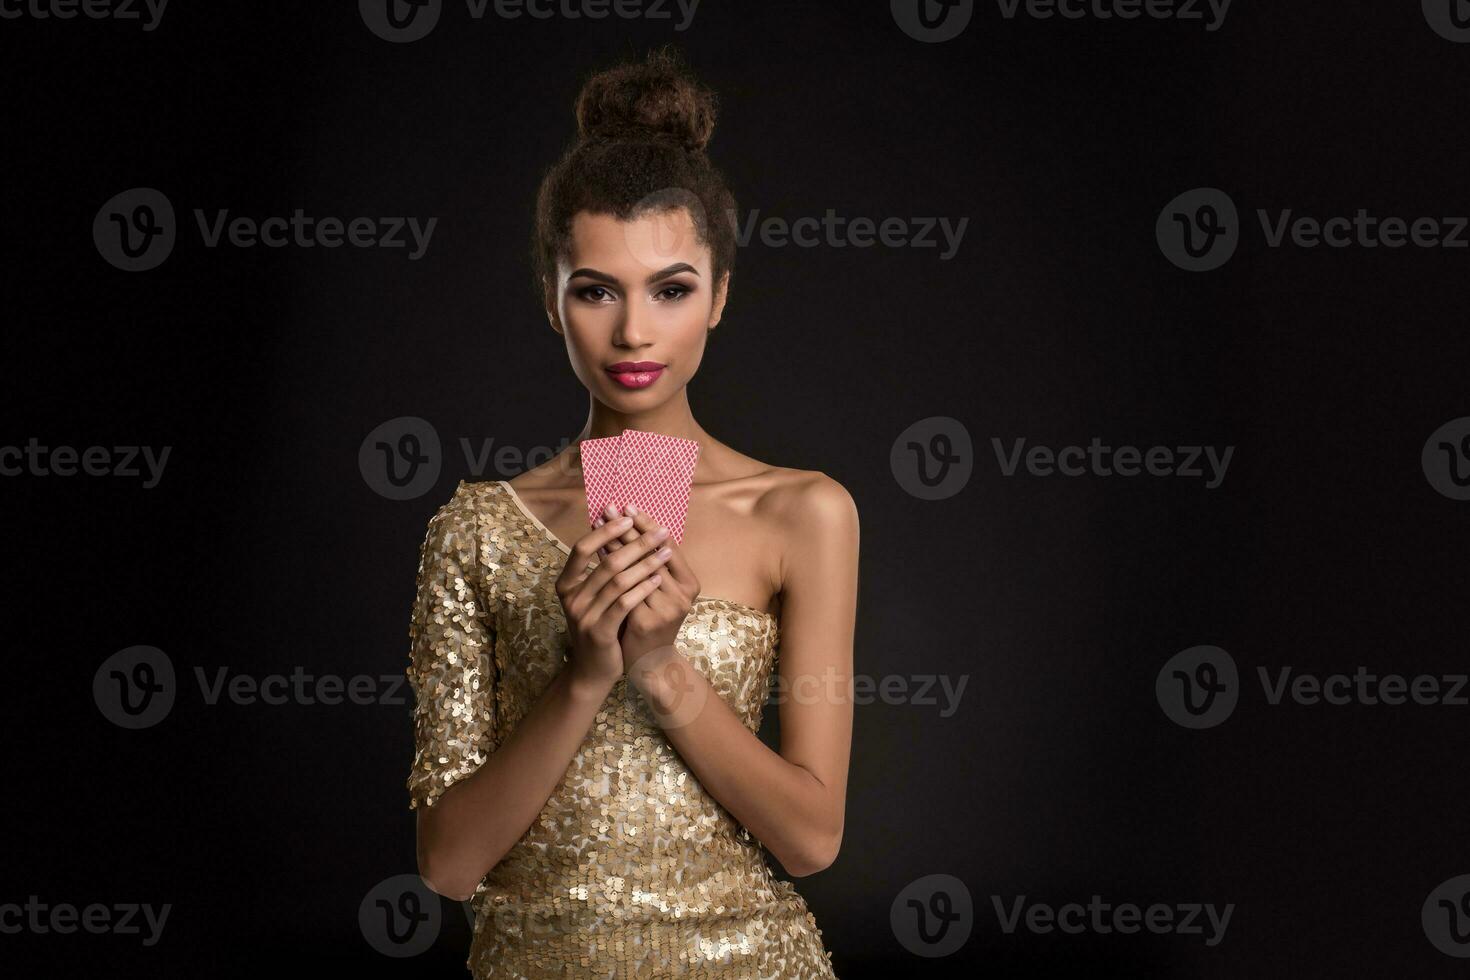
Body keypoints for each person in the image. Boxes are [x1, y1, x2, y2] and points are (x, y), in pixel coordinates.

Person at [405, 46, 859, 978]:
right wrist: (583, 678)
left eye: (672, 289)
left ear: (720, 297)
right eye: (597, 290)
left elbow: (813, 842)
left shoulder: (803, 512)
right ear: (552, 298)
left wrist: (660, 668)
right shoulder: (478, 529)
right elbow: (449, 865)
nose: (634, 333)